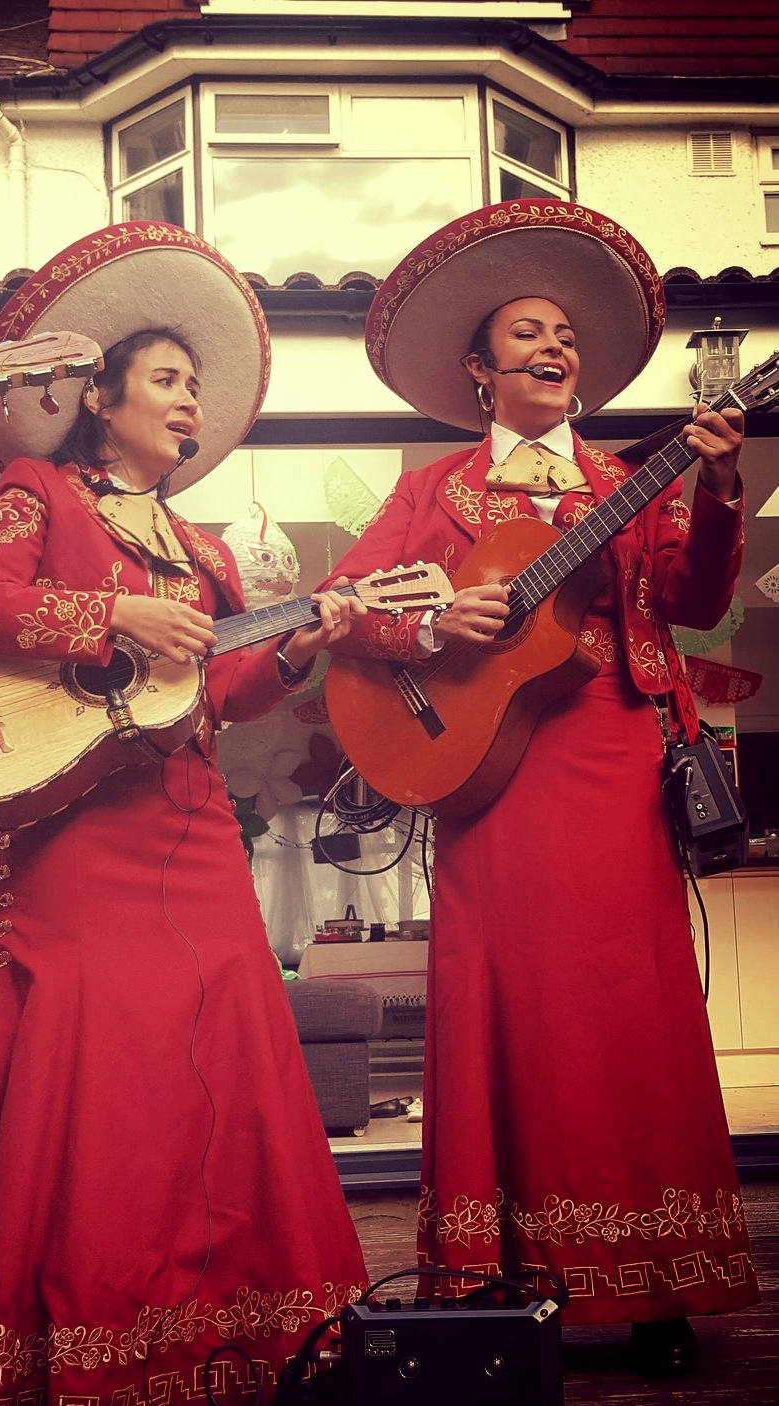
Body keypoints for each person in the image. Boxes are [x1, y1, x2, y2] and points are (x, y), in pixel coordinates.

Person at [0, 223, 370, 1406]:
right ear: (100, 398)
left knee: (224, 1048)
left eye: (194, 386)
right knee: (103, 1064)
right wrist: (111, 617)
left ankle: (228, 1331)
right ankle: (93, 1339)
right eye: (165, 379)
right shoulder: (41, 492)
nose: (187, 401)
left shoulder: (208, 552)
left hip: (192, 827)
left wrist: (299, 650)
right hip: (77, 834)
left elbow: (218, 686)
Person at [324, 201, 759, 1378]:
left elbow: (694, 596)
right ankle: (505, 1284)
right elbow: (344, 609)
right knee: (504, 1013)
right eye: (525, 333)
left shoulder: (628, 478)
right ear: (479, 368)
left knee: (631, 1014)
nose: (550, 347)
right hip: (488, 780)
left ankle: (654, 1284)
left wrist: (717, 489)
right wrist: (430, 621)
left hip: (613, 760)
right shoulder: (435, 493)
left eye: (561, 334)